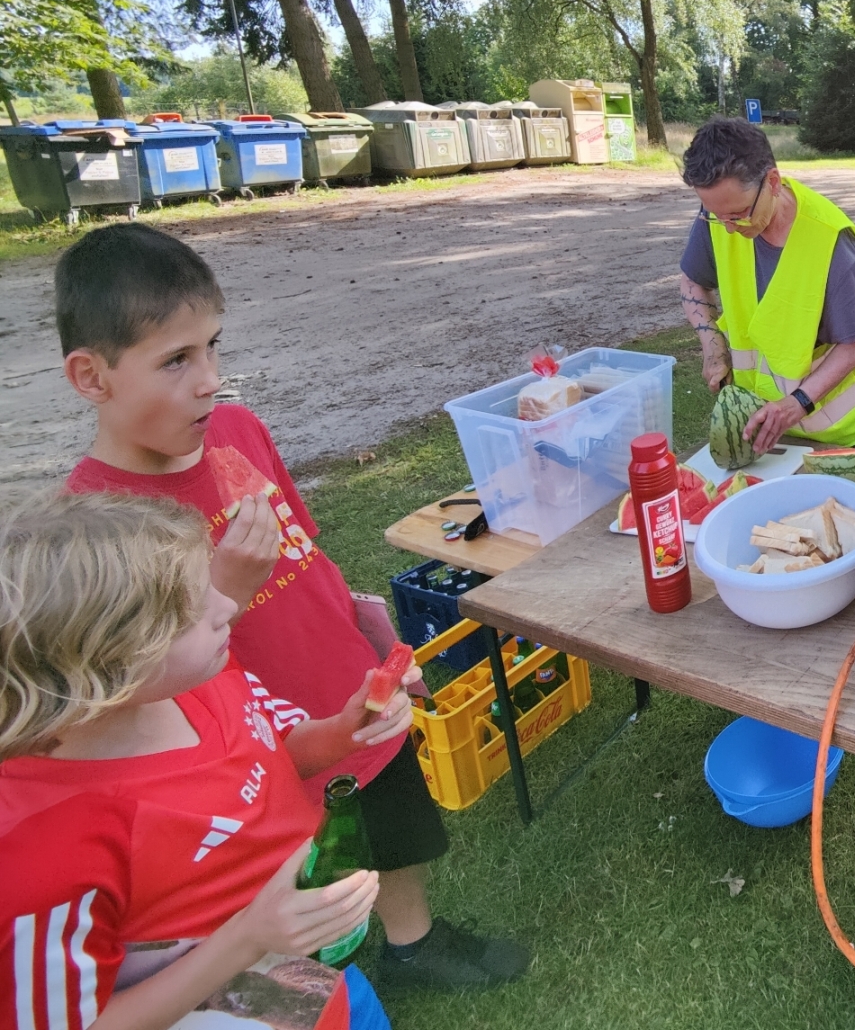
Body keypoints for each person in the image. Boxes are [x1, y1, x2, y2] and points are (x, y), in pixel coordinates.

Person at [53, 223, 529, 991]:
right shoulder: (96, 523)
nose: (210, 379)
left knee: (397, 822)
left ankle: (413, 941)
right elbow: (134, 686)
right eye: (176, 360)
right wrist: (228, 589)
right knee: (303, 889)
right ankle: (318, 990)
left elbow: (308, 553)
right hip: (258, 758)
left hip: (347, 690)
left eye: (213, 347)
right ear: (91, 376)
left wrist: (370, 635)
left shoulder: (235, 430)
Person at [0, 493, 401, 1030]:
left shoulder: (208, 676)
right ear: (104, 661)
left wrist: (342, 733)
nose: (228, 606)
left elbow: (272, 753)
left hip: (323, 980)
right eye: (192, 609)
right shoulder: (38, 851)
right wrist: (248, 938)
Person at [678, 117, 855, 452]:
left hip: (843, 430)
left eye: (738, 215)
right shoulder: (721, 216)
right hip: (766, 423)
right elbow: (692, 281)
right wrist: (712, 344)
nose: (729, 228)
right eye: (714, 214)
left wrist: (797, 404)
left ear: (773, 182)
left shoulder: (832, 241)